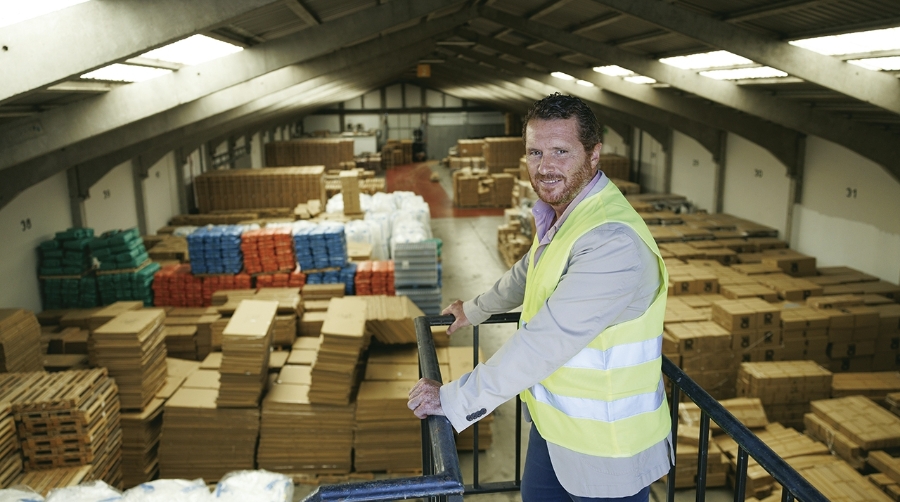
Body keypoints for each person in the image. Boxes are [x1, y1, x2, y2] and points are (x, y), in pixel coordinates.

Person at [407, 93, 672, 501]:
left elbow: (544, 342)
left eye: (561, 151)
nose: (545, 167)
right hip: (555, 430)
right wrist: (473, 311)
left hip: (608, 450)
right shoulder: (570, 212)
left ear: (594, 154)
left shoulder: (611, 242)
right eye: (535, 152)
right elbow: (529, 270)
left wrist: (453, 398)